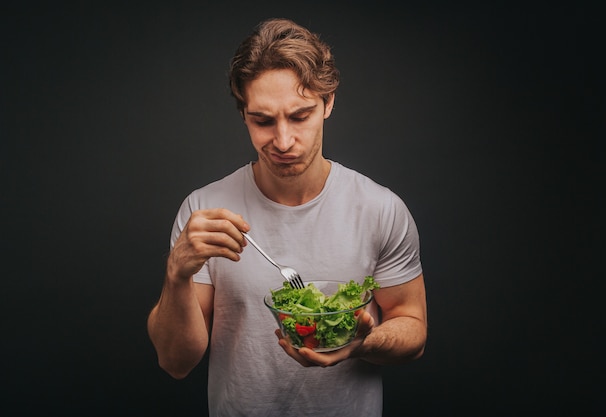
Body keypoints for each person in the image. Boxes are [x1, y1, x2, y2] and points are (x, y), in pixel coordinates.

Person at [147, 17, 428, 417]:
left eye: (300, 116)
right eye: (262, 121)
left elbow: (413, 331)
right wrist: (176, 273)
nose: (282, 141)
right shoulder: (204, 211)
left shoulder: (380, 209)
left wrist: (359, 344)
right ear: (243, 113)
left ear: (328, 103)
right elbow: (175, 363)